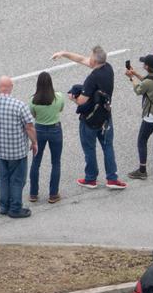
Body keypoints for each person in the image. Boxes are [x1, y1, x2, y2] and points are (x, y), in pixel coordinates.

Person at [52, 45, 126, 188]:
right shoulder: (108, 69)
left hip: (90, 120)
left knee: (89, 149)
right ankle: (112, 178)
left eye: (90, 57)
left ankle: (91, 178)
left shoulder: (92, 78)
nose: (88, 59)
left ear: (94, 61)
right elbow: (81, 59)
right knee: (108, 147)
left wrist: (72, 98)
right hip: (105, 117)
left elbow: (82, 101)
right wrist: (64, 53)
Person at [0, 77, 36, 218]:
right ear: (11, 87)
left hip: (1, 149)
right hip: (17, 150)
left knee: (4, 178)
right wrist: (35, 142)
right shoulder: (19, 105)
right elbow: (29, 127)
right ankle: (15, 208)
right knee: (17, 180)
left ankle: (4, 206)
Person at [27, 72, 65, 202]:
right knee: (56, 162)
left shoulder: (33, 100)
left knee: (36, 162)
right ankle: (53, 194)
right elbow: (60, 110)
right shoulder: (59, 97)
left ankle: (33, 193)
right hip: (55, 129)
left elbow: (33, 115)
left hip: (39, 130)